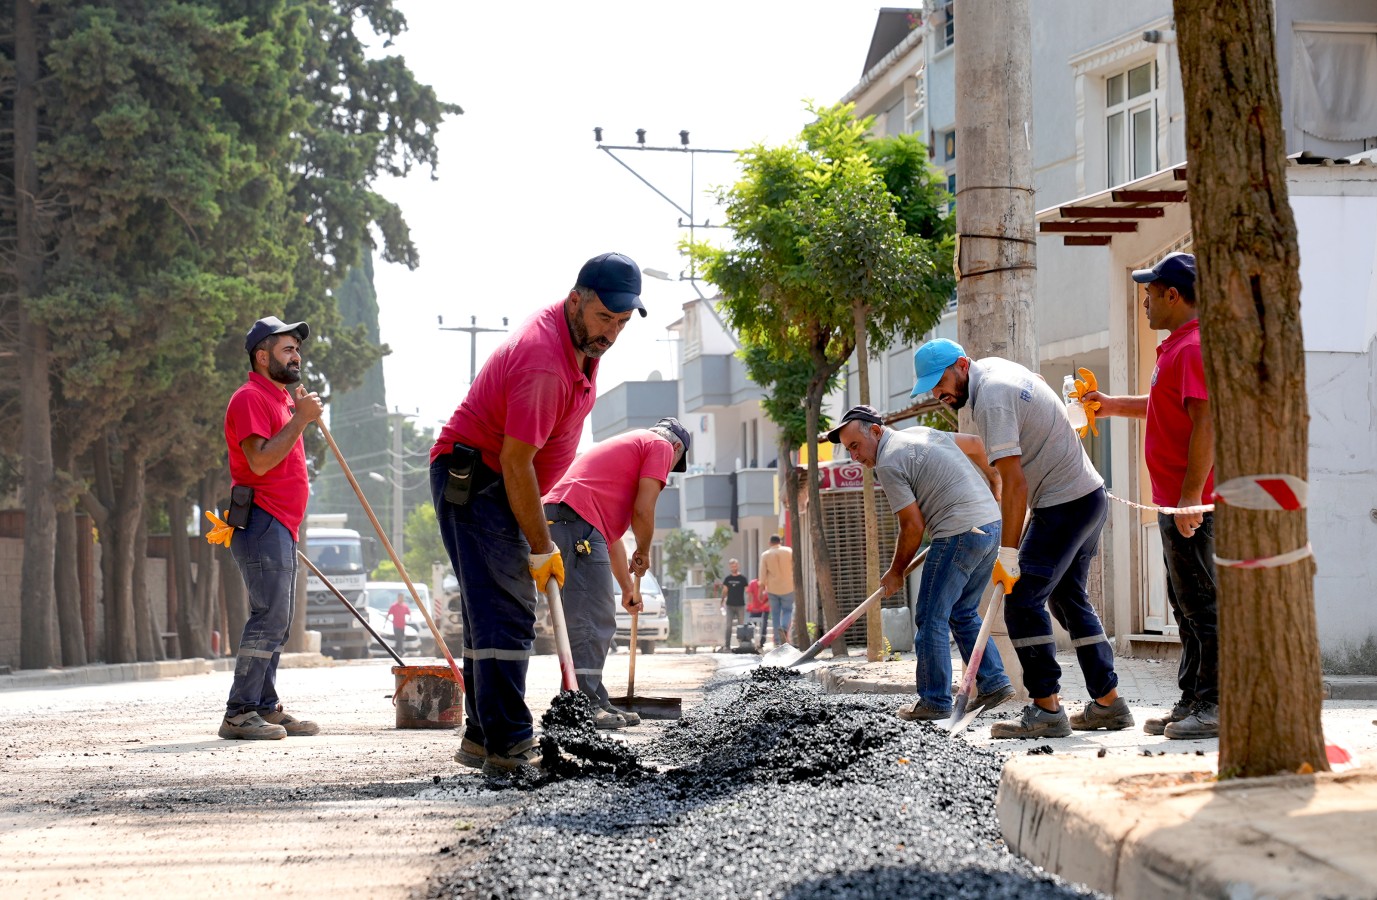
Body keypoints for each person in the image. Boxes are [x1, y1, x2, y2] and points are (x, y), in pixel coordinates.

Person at [430, 252, 643, 776]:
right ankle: (509, 742)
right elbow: (515, 461)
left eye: (620, 323)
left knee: (489, 612)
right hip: (479, 481)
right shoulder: (543, 360)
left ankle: (484, 735)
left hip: (498, 482)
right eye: (603, 318)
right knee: (506, 611)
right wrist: (544, 545)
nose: (611, 333)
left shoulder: (582, 342)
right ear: (576, 300)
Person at [911, 338, 1132, 739]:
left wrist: (1008, 551)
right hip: (1087, 497)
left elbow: (1014, 483)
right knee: (1068, 600)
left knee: (1022, 600)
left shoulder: (991, 397)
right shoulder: (996, 372)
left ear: (961, 365)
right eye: (930, 387)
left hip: (1064, 503)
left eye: (940, 382)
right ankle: (1109, 702)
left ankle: (1046, 709)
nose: (937, 394)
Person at [1082, 252, 1218, 740]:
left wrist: (1188, 500)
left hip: (1190, 507)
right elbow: (1167, 406)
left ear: (1173, 296)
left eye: (1150, 293)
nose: (1145, 301)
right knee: (1183, 605)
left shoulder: (1194, 347)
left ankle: (1215, 703)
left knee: (1202, 604)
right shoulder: (1175, 348)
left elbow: (1207, 425)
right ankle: (1192, 699)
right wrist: (1114, 404)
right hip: (1173, 503)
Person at [826, 405, 1015, 721]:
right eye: (848, 451)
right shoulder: (920, 433)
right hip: (990, 526)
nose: (854, 457)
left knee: (930, 615)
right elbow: (977, 445)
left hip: (959, 533)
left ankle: (935, 701)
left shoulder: (888, 461)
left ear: (875, 430)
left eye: (855, 446)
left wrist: (896, 571)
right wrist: (993, 481)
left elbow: (912, 526)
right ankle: (994, 682)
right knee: (962, 612)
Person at [542, 418, 689, 728]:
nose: (666, 472)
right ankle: (578, 705)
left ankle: (594, 699)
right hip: (574, 523)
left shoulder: (628, 450)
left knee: (589, 614)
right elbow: (643, 510)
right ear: (677, 447)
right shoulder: (660, 445)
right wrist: (646, 551)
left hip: (569, 521)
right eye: (674, 465)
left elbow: (612, 541)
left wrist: (626, 588)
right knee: (591, 617)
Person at [218, 316, 323, 741]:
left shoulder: (278, 399)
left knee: (277, 619)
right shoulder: (248, 398)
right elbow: (259, 461)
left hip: (281, 522)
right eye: (287, 349)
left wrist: (297, 414)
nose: (296, 355)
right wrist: (300, 420)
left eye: (297, 349)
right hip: (263, 519)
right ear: (262, 356)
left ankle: (263, 705)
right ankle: (239, 711)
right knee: (270, 616)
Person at [758, 534, 795, 646]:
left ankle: (778, 641)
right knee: (788, 610)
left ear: (770, 543)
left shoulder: (766, 555)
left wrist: (760, 590)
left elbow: (762, 574)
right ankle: (784, 627)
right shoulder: (789, 551)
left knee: (775, 614)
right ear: (780, 542)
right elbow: (794, 566)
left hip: (773, 589)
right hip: (788, 587)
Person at [719, 559, 749, 652]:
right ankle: (727, 646)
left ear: (738, 566)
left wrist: (750, 602)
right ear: (730, 567)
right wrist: (722, 600)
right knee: (728, 626)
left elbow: (748, 591)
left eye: (735, 566)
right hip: (730, 605)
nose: (734, 567)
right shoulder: (727, 579)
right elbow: (724, 591)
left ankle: (742, 645)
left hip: (740, 605)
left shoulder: (743, 579)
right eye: (732, 566)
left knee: (741, 626)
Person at [745, 577, 769, 650]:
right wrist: (751, 606)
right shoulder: (752, 584)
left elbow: (770, 599)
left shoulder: (769, 585)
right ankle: (748, 639)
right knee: (751, 624)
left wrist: (762, 607)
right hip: (755, 607)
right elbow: (750, 595)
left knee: (764, 624)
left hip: (765, 608)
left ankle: (762, 641)